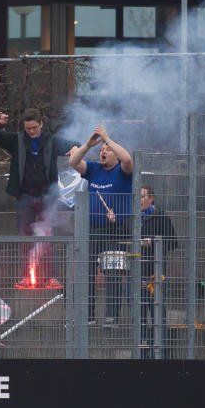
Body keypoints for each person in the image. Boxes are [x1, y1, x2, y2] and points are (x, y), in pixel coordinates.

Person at [0, 108, 77, 290]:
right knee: (24, 237)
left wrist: (75, 148)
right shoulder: (17, 140)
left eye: (34, 127)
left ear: (41, 124)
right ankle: (25, 276)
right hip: (25, 196)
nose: (31, 131)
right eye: (28, 128)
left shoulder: (51, 141)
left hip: (47, 196)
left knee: (49, 236)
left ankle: (51, 277)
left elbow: (73, 145)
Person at [68, 125, 133, 324]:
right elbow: (73, 161)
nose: (103, 152)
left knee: (113, 273)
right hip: (92, 229)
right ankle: (88, 316)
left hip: (116, 230)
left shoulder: (122, 171)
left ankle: (111, 316)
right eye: (102, 149)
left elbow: (128, 160)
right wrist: (88, 144)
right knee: (87, 271)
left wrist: (108, 138)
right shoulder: (94, 169)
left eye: (108, 150)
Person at [139, 185, 178, 357]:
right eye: (137, 197)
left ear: (151, 198)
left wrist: (154, 242)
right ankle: (141, 352)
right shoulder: (131, 217)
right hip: (136, 273)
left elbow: (173, 242)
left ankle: (160, 351)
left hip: (155, 273)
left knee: (157, 313)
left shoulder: (161, 216)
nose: (139, 200)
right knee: (138, 315)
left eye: (142, 196)